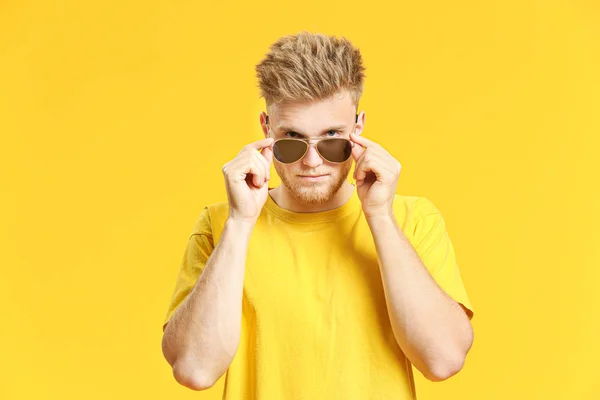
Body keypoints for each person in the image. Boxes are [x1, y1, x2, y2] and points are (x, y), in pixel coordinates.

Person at [161, 31, 475, 399]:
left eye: (332, 139)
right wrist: (240, 223)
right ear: (266, 130)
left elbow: (443, 360)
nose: (312, 161)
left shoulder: (411, 219)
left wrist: (380, 218)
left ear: (358, 129)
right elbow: (195, 369)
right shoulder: (221, 226)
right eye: (292, 139)